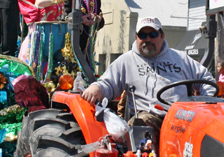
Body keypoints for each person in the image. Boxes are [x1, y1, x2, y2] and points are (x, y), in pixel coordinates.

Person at [81, 17, 216, 137]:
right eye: (142, 35)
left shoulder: (180, 58)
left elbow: (206, 80)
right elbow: (108, 83)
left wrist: (205, 105)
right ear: (136, 37)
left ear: (162, 36)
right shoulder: (127, 61)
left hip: (183, 117)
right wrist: (96, 88)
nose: (148, 39)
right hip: (150, 118)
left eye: (152, 34)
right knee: (141, 122)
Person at [75, 0, 105, 65]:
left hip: (90, 41)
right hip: (75, 39)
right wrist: (81, 20)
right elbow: (66, 16)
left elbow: (101, 19)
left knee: (88, 66)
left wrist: (98, 20)